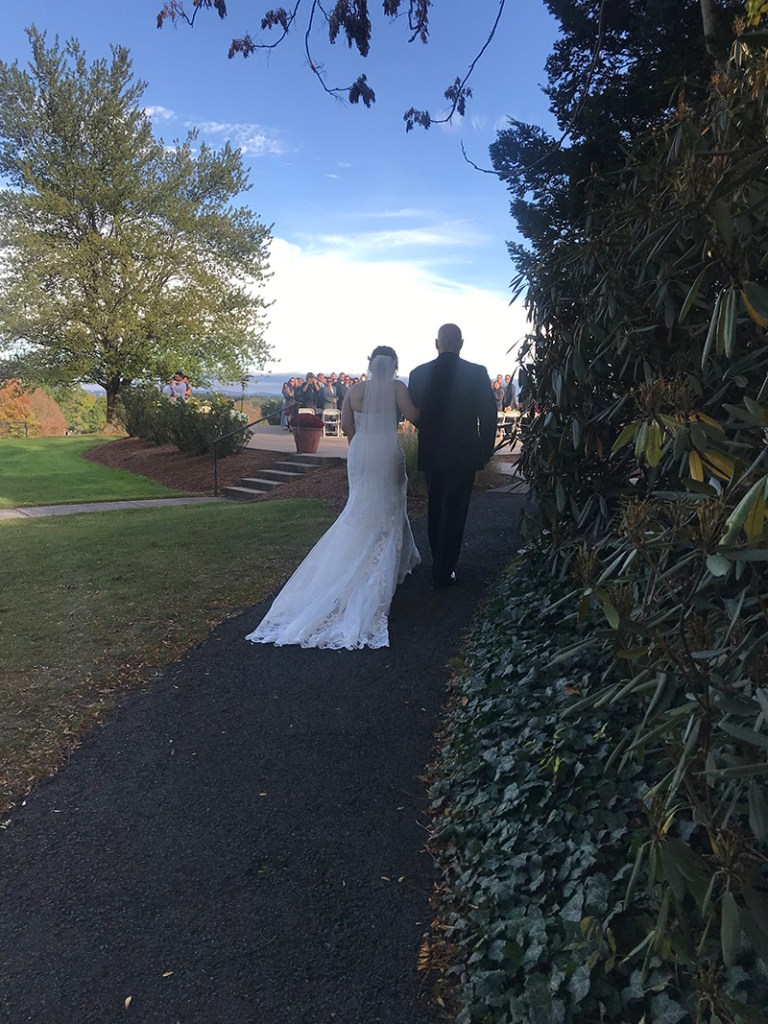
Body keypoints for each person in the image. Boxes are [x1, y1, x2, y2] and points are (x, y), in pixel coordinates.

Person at [246, 346, 421, 649]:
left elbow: (347, 427)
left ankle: (394, 556)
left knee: (359, 507)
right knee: (392, 503)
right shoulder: (397, 388)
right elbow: (415, 416)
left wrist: (361, 447)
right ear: (393, 366)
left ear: (370, 364)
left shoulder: (354, 390)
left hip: (361, 451)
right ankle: (387, 566)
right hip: (386, 450)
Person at [408, 323, 497, 589]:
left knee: (435, 508)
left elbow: (416, 415)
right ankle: (445, 570)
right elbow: (489, 415)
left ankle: (438, 562)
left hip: (433, 450)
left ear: (437, 343)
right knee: (456, 511)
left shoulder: (418, 374)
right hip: (464, 450)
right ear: (460, 343)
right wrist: (484, 450)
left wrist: (432, 432)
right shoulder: (477, 373)